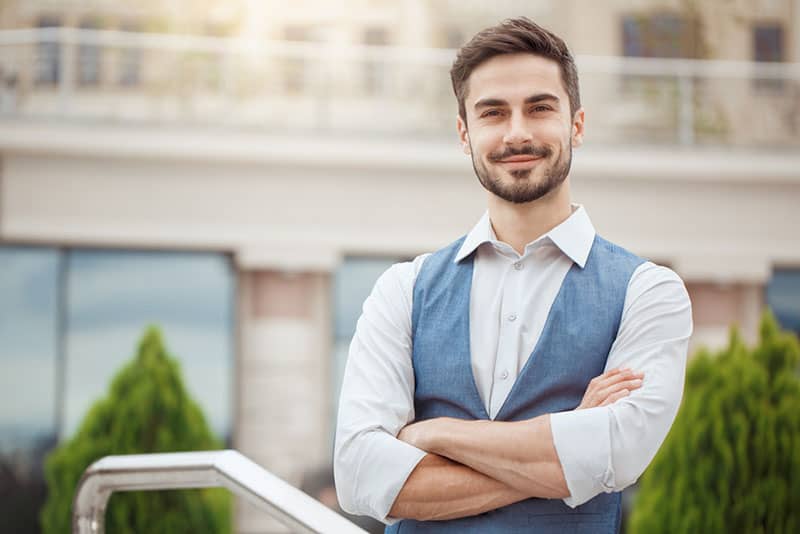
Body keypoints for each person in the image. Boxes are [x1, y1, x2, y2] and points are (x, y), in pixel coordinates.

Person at [333, 17, 692, 534]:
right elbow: (360, 476)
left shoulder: (649, 292)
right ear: (465, 134)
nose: (517, 132)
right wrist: (568, 446)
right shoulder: (403, 290)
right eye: (493, 113)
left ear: (577, 125)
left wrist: (431, 434)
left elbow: (618, 452)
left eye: (540, 107)